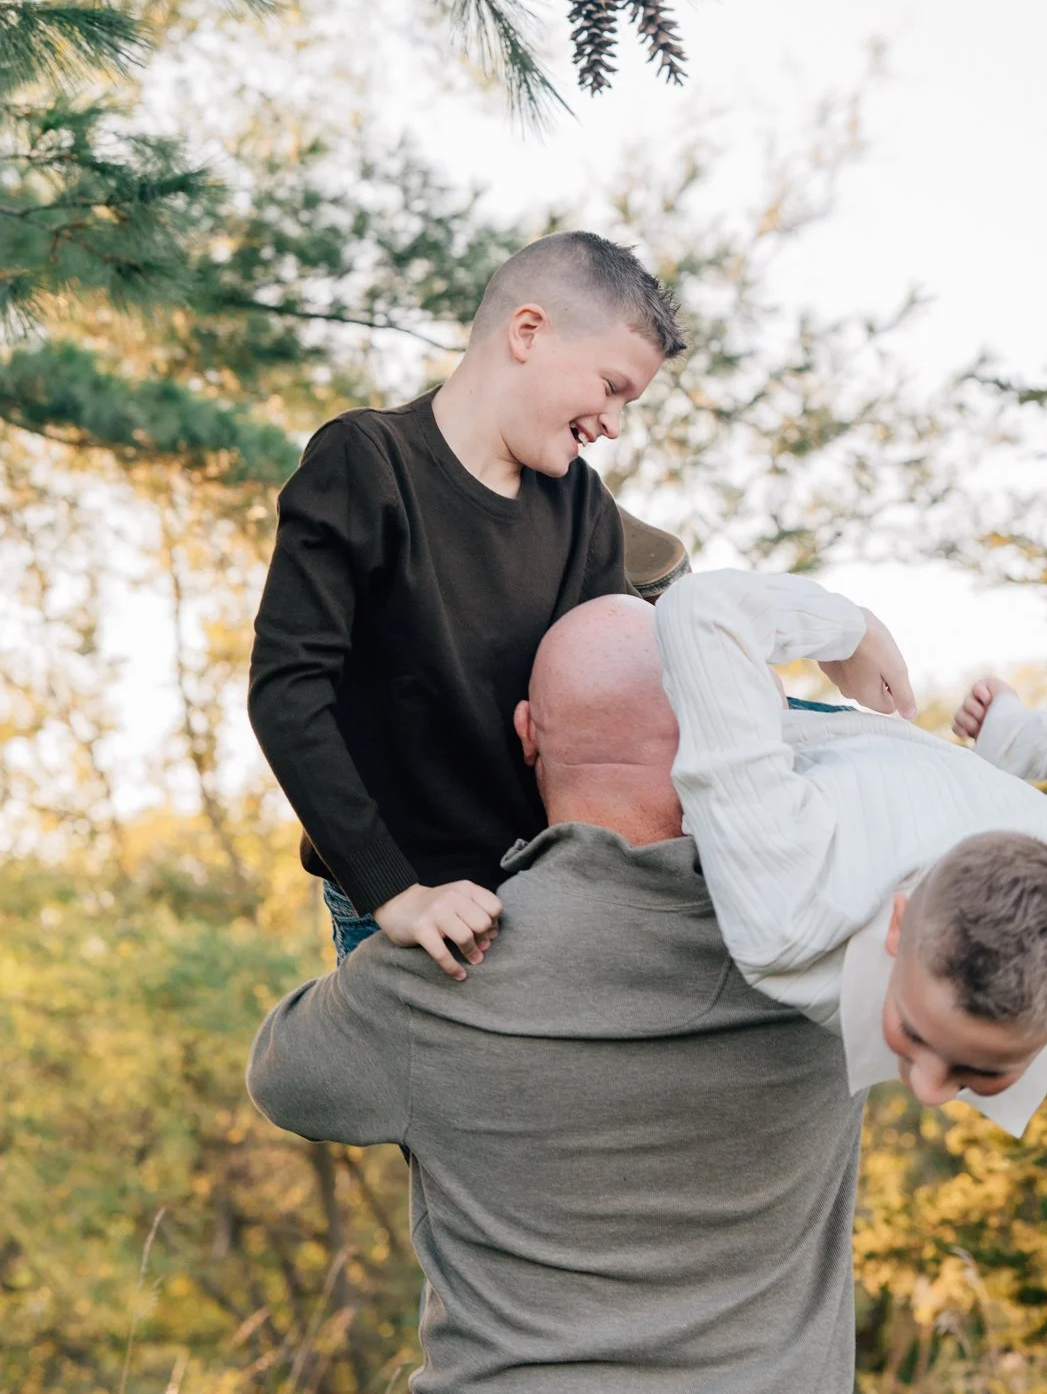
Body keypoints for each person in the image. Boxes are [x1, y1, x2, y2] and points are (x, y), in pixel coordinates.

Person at [247, 596, 866, 1394]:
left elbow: (283, 1077)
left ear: (528, 734)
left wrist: (361, 883)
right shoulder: (832, 947)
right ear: (729, 736)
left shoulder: (443, 975)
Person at [248, 231, 686, 974]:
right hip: (405, 910)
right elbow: (288, 693)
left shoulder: (582, 504)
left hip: (539, 895)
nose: (615, 422)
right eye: (611, 387)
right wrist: (396, 894)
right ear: (527, 332)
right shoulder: (366, 463)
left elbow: (609, 702)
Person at [655, 570, 1047, 1134]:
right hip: (839, 758)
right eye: (916, 1032)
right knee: (622, 663)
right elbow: (701, 611)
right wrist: (852, 633)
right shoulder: (794, 898)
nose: (929, 1092)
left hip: (813, 774)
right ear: (899, 925)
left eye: (982, 1068)